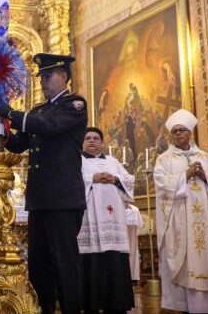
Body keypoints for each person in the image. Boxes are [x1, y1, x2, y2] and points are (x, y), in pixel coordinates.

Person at [0, 53, 87, 314]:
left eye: (48, 76)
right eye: (41, 77)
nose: (43, 81)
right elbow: (19, 144)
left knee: (64, 261)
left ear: (63, 77)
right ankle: (43, 309)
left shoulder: (74, 105)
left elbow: (49, 127)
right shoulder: (37, 111)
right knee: (40, 264)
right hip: (40, 199)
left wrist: (9, 111)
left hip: (63, 199)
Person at [154, 108, 208, 313]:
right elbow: (161, 185)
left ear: (190, 133)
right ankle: (184, 306)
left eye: (182, 130)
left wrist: (205, 175)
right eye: (175, 131)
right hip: (181, 221)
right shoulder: (165, 159)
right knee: (185, 258)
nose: (179, 134)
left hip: (206, 221)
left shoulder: (204, 156)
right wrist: (186, 175)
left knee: (207, 258)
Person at [78, 127, 135, 314]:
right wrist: (92, 178)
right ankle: (91, 304)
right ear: (82, 142)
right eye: (88, 138)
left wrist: (116, 179)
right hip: (89, 220)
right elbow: (71, 182)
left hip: (113, 219)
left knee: (114, 259)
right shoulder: (76, 161)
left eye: (96, 138)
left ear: (102, 143)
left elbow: (129, 180)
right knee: (91, 260)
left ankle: (117, 304)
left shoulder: (112, 161)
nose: (92, 141)